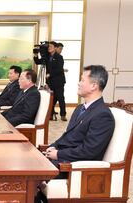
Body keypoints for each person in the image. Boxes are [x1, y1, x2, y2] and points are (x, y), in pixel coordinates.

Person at [35, 65, 115, 203]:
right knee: (31, 164)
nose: (79, 83)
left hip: (75, 168)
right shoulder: (80, 109)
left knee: (28, 178)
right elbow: (67, 137)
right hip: (63, 159)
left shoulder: (102, 115)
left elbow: (89, 151)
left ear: (94, 86)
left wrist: (58, 154)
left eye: (82, 80)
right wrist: (53, 147)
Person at [34, 41, 67, 121]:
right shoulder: (47, 57)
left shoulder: (59, 57)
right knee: (51, 99)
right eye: (48, 47)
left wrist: (50, 74)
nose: (49, 48)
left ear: (55, 48)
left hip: (58, 81)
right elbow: (38, 62)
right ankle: (51, 115)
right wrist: (35, 55)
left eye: (51, 46)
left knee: (60, 98)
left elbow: (59, 69)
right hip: (50, 82)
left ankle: (63, 115)